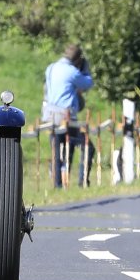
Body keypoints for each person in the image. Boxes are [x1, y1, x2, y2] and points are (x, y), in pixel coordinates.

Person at [43, 43, 93, 188]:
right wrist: (86, 70)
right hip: (65, 115)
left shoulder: (51, 67)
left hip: (50, 114)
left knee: (57, 150)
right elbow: (87, 83)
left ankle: (58, 183)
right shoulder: (72, 71)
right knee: (86, 146)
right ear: (77, 59)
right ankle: (82, 181)